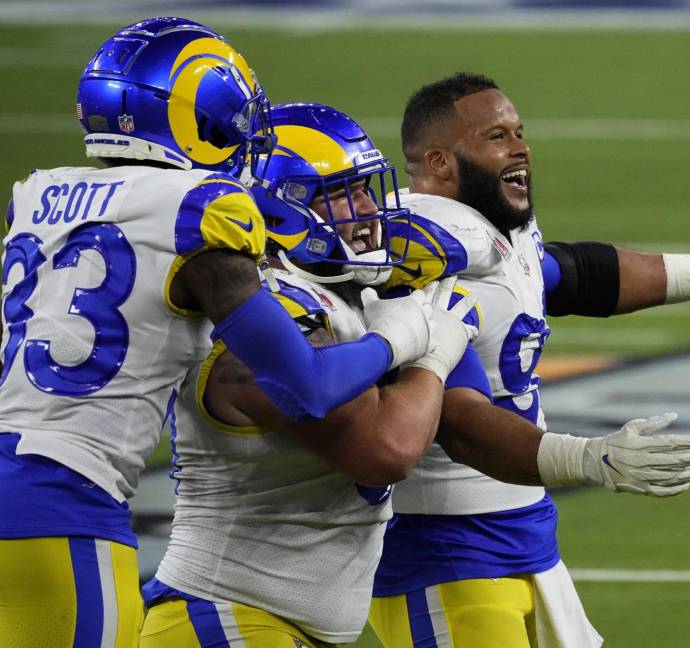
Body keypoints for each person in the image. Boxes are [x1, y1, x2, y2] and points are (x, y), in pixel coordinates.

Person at [0, 22, 442, 648]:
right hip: (62, 499)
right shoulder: (200, 206)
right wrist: (398, 339)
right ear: (195, 116)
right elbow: (308, 387)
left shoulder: (38, 196)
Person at [368, 72, 690, 648]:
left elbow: (578, 274)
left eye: (519, 131)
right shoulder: (422, 256)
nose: (521, 147)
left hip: (523, 535)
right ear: (440, 162)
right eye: (497, 136)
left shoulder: (489, 233)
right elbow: (457, 422)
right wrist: (587, 458)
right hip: (443, 551)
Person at [139, 103, 479, 647]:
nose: (367, 210)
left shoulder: (348, 294)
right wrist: (429, 353)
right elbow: (384, 450)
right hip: (226, 621)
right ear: (278, 211)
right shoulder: (272, 314)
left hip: (265, 625)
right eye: (341, 193)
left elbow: (469, 422)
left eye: (365, 188)